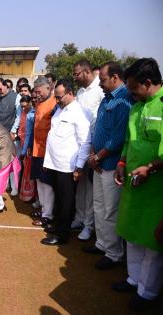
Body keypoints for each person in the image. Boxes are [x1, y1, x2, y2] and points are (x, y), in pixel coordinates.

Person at [112, 58, 163, 312]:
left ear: (148, 83)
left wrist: (151, 168)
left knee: (152, 241)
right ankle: (133, 279)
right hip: (133, 183)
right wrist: (122, 162)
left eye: (133, 89)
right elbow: (128, 140)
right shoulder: (136, 106)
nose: (130, 93)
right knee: (131, 234)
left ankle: (148, 291)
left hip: (156, 189)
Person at [84, 62, 133, 270]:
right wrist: (93, 153)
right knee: (99, 205)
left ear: (115, 77)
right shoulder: (106, 99)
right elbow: (99, 130)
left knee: (110, 210)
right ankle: (102, 244)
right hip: (99, 163)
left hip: (111, 164)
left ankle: (114, 253)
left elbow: (119, 136)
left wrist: (99, 155)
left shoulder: (124, 100)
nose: (101, 84)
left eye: (103, 80)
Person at [41, 79, 91, 245]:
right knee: (59, 198)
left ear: (70, 93)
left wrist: (79, 166)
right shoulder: (60, 110)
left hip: (68, 166)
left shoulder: (79, 112)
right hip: (55, 163)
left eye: (60, 97)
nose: (57, 100)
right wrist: (48, 162)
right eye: (56, 97)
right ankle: (59, 226)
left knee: (66, 201)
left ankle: (62, 235)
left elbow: (85, 142)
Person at [72, 59, 104, 241]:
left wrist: (94, 149)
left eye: (76, 74)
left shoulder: (100, 89)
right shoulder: (80, 91)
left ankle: (89, 226)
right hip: (80, 144)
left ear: (86, 72)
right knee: (80, 187)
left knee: (92, 192)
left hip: (95, 146)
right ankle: (79, 218)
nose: (74, 77)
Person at [30, 77, 56, 228]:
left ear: (48, 88)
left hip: (47, 151)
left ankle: (48, 215)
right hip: (36, 149)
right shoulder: (40, 104)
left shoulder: (54, 104)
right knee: (39, 181)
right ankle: (44, 209)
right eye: (35, 91)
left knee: (47, 183)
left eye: (39, 91)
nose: (37, 94)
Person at [0, 78, 21, 196]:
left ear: (6, 86)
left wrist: (13, 131)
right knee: (2, 162)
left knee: (13, 162)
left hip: (12, 134)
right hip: (0, 135)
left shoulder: (16, 97)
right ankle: (5, 185)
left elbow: (18, 115)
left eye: (0, 89)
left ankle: (15, 187)